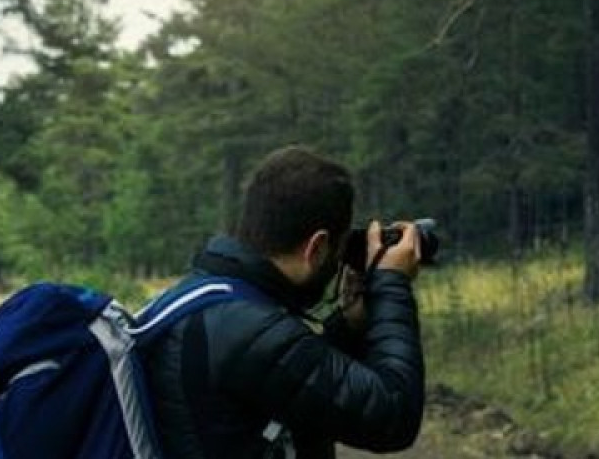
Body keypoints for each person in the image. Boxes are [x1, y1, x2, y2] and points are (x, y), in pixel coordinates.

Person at [143, 145, 425, 458]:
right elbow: (393, 416)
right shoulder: (247, 328)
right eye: (340, 248)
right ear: (316, 248)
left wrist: (347, 324)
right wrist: (391, 283)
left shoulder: (211, 299)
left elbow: (292, 379)